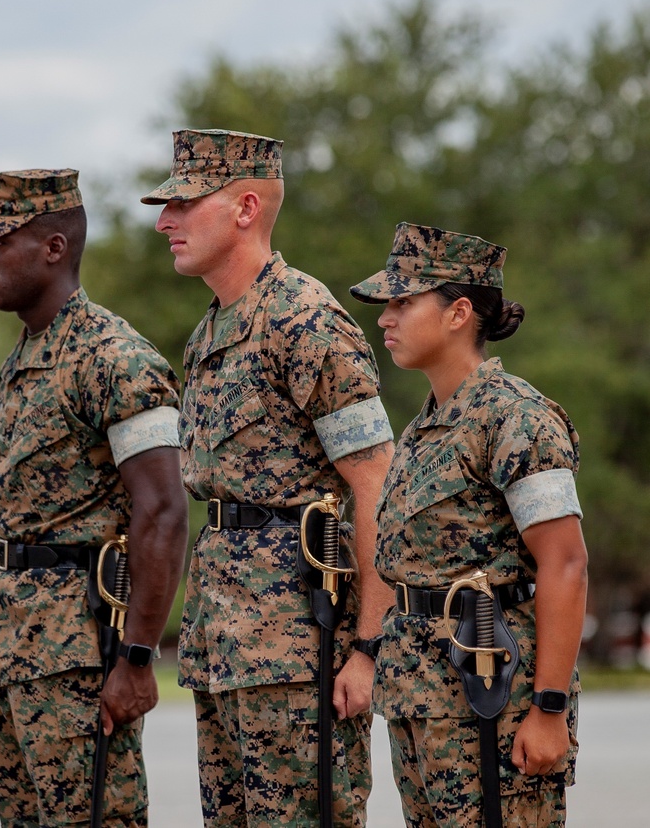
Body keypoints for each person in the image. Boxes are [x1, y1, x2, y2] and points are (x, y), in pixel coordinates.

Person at [141, 128, 396, 827]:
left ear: (245, 208)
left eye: (184, 203)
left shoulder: (306, 321)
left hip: (299, 649)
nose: (165, 221)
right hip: (224, 646)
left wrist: (368, 650)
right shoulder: (210, 334)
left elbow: (376, 488)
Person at [0, 167, 188, 826]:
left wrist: (137, 658)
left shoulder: (114, 358)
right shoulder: (27, 355)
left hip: (80, 653)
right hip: (17, 649)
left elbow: (165, 510)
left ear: (54, 248)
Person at [350, 222, 588, 827]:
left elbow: (566, 563)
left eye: (403, 302)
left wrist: (550, 709)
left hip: (493, 703)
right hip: (423, 707)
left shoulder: (517, 419)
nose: (386, 319)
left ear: (459, 312)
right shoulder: (424, 428)